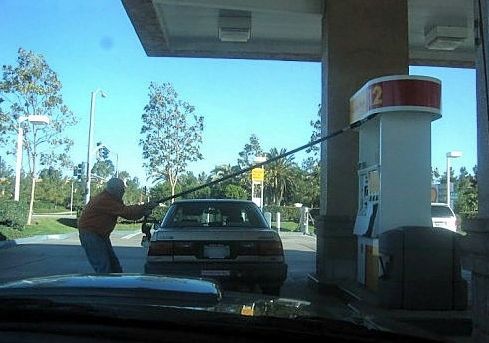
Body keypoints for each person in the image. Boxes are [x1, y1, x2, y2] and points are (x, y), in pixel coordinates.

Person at [78, 178, 157, 273]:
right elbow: (126, 212)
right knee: (104, 267)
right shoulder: (105, 200)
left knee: (114, 266)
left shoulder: (111, 199)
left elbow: (128, 213)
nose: (123, 191)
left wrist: (143, 211)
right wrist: (145, 207)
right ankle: (107, 286)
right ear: (112, 189)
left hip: (99, 235)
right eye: (121, 189)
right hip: (91, 235)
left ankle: (115, 284)